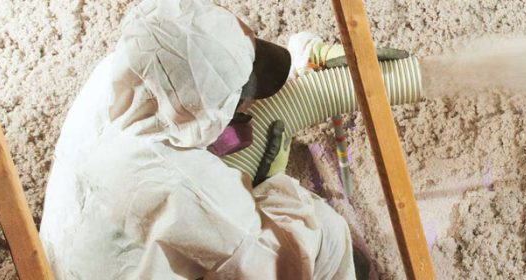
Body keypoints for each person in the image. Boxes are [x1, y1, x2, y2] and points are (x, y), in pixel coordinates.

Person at [39, 0, 356, 278]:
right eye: (235, 100)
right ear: (202, 114)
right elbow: (279, 267)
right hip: (125, 264)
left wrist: (304, 63)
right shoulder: (184, 186)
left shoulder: (132, 65)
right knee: (328, 236)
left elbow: (197, 73)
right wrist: (273, 184)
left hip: (61, 255)